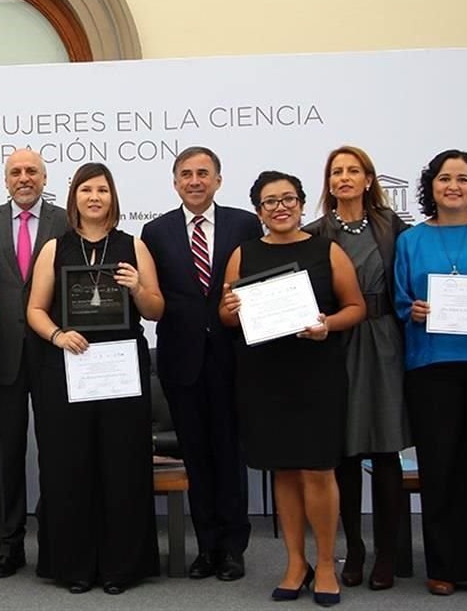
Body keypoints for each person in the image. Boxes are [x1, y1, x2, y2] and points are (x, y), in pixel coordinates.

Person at [220, 171, 365, 607]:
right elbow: (228, 318)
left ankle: (324, 564)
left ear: (302, 203)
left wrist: (327, 325)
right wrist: (229, 309)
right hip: (264, 376)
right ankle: (295, 562)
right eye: (269, 202)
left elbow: (356, 307)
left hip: (316, 373)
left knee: (318, 470)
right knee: (282, 469)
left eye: (288, 199)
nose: (279, 207)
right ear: (258, 210)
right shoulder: (242, 254)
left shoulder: (327, 249)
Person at [27, 162, 164, 595]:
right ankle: (75, 567)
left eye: (102, 190)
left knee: (122, 465)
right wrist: (58, 334)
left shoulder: (133, 246)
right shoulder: (54, 247)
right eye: (86, 189)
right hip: (68, 368)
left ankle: (121, 567)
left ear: (112, 198)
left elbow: (156, 309)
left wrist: (138, 287)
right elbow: (34, 310)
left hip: (122, 369)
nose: (94, 197)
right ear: (74, 199)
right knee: (70, 467)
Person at [141, 146, 260, 581]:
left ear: (218, 180)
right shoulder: (155, 233)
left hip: (232, 355)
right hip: (181, 360)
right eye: (186, 174)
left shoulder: (245, 224)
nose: (195, 181)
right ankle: (207, 548)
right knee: (196, 455)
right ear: (175, 182)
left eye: (203, 173)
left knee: (230, 453)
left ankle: (233, 548)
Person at [394, 149, 467, 598]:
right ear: (431, 187)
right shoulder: (411, 241)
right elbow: (400, 300)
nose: (453, 186)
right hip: (432, 365)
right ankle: (445, 566)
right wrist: (413, 309)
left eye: (462, 178)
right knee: (440, 467)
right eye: (444, 179)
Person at [302, 146, 411, 590]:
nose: (344, 178)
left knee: (385, 453)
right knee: (343, 452)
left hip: (383, 342)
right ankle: (355, 549)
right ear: (328, 182)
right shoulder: (315, 232)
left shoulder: (395, 227)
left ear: (369, 179)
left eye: (353, 171)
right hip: (335, 345)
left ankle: (388, 553)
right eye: (336, 172)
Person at [0, 148, 68, 578]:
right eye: (16, 172)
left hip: (55, 351)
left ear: (45, 179)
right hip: (2, 352)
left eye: (32, 171)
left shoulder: (66, 221)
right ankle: (9, 546)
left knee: (57, 450)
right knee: (8, 452)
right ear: (5, 180)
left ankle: (56, 541)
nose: (24, 178)